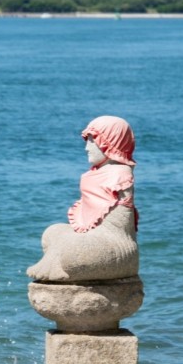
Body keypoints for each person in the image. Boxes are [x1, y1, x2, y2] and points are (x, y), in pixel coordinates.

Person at [27, 115, 139, 283]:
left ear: (109, 142)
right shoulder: (97, 173)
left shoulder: (120, 173)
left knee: (74, 248)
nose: (87, 148)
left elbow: (120, 225)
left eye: (92, 141)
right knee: (53, 231)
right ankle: (59, 264)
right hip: (93, 236)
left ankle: (57, 266)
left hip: (116, 245)